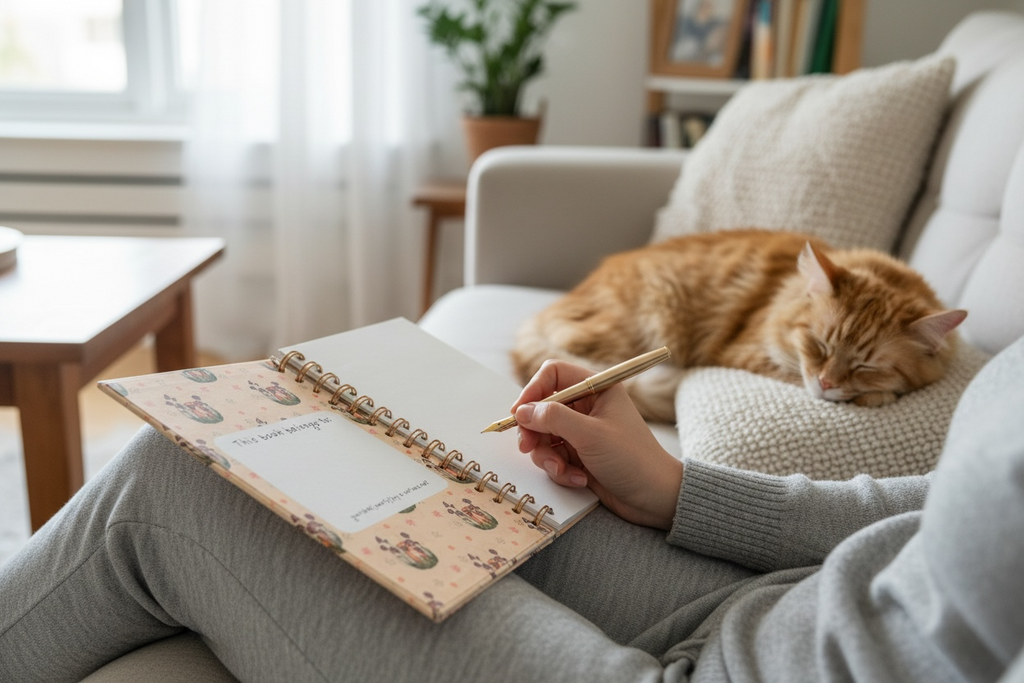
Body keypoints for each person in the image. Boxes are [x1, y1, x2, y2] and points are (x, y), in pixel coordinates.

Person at [2, 337, 1023, 683]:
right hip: (783, 603)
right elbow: (935, 508)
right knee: (381, 447)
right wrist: (675, 489)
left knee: (179, 478)